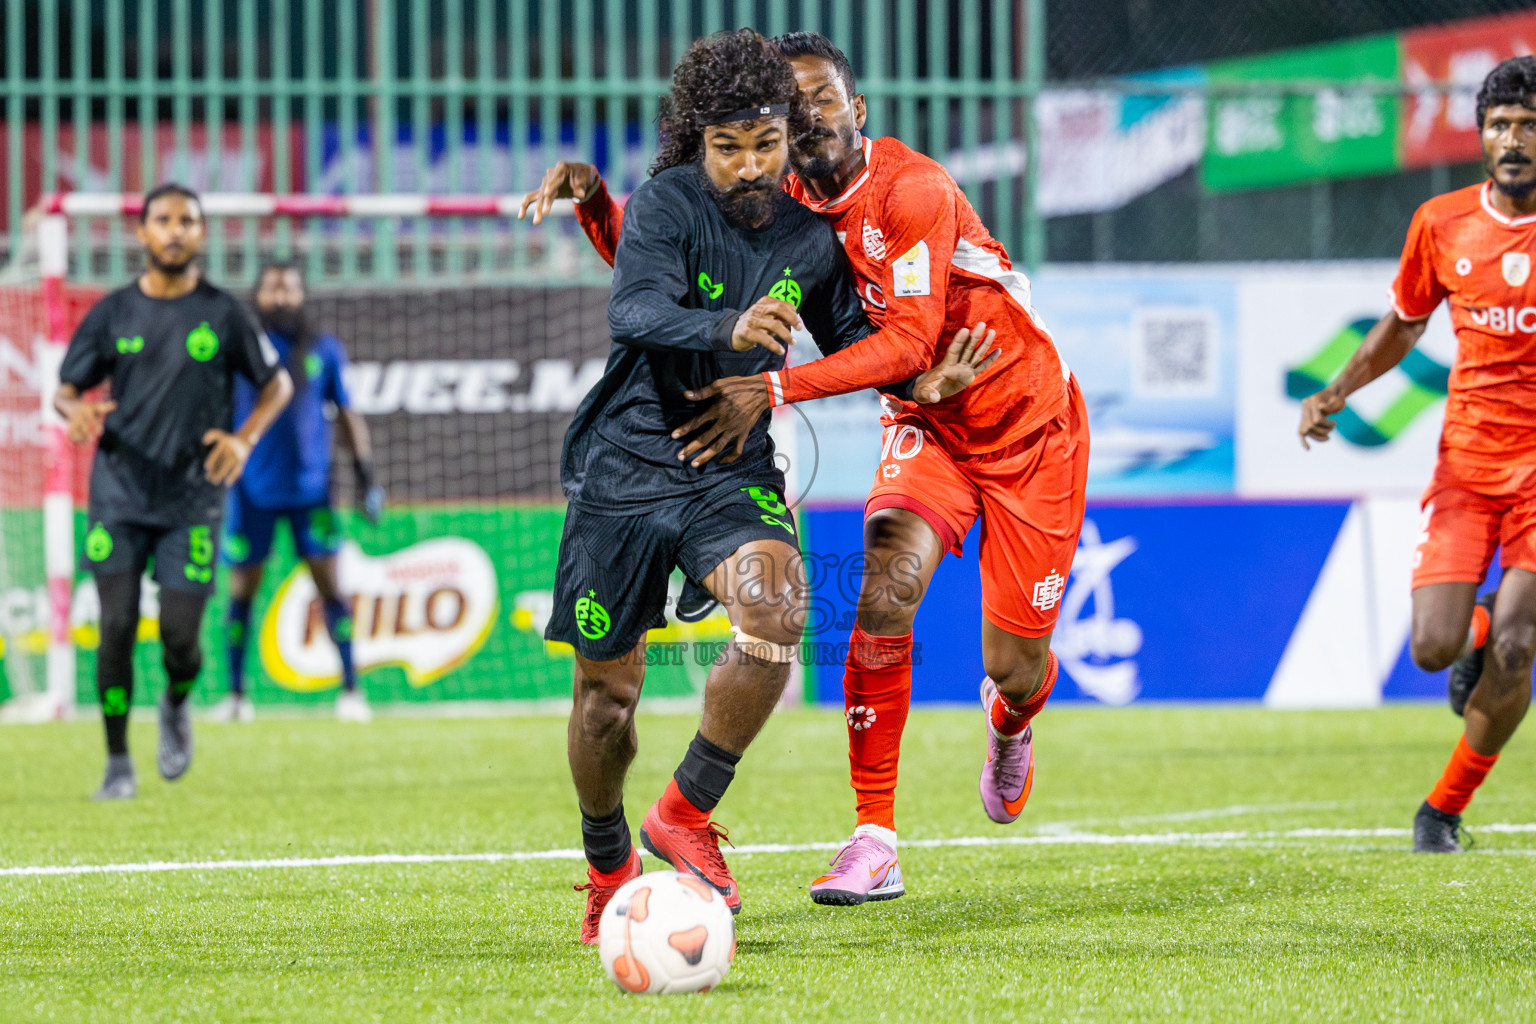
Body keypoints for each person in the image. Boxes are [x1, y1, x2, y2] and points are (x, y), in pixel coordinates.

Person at [522, 31, 1088, 907]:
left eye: (822, 100)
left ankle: (1011, 720)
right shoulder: (768, 191)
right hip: (908, 425)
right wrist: (599, 203)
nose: (806, 118)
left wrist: (780, 385)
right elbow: (654, 263)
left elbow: (903, 341)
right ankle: (870, 838)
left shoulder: (909, 192)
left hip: (1027, 428)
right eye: (793, 106)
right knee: (879, 591)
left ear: (855, 109)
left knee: (1010, 666)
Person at [1300, 56, 1536, 854]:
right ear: (1481, 137)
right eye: (1500, 125)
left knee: (1518, 647)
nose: (1513, 140)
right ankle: (1477, 623)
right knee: (1435, 648)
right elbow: (1404, 323)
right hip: (1467, 466)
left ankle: (1441, 811)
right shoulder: (1442, 223)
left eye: (1529, 125)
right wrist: (1337, 390)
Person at [54, 183, 292, 800]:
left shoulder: (223, 313)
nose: (175, 230)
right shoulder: (112, 312)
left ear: (202, 233)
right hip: (118, 493)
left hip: (193, 500)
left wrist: (244, 439)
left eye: (188, 220)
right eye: (163, 219)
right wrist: (74, 411)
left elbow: (278, 385)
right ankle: (117, 762)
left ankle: (176, 700)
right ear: (142, 232)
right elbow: (65, 390)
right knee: (115, 625)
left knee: (181, 640)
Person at [211, 260, 384, 725]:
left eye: (289, 288)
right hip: (251, 491)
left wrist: (366, 476)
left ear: (302, 295)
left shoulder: (323, 349)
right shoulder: (240, 349)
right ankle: (235, 695)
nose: (282, 297)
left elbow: (346, 415)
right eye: (273, 288)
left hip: (313, 492)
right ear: (257, 295)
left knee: (331, 587)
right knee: (241, 591)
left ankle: (351, 690)